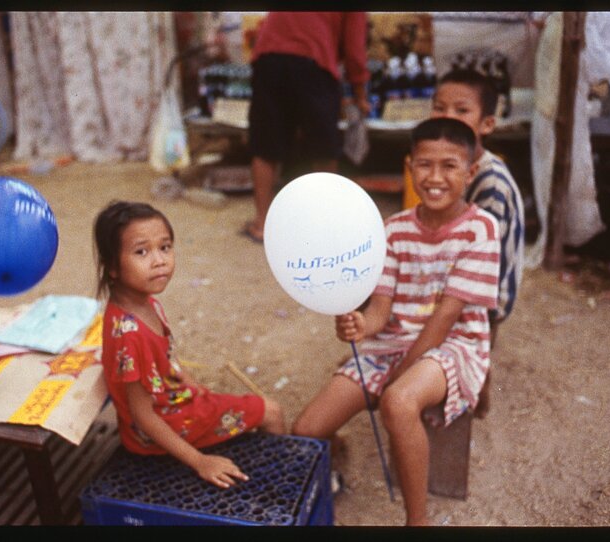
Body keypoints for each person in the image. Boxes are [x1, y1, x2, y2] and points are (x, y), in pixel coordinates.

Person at [292, 118, 500, 526]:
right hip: (391, 344)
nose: (435, 177)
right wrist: (359, 326)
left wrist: (396, 379)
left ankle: (416, 521)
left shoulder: (481, 229)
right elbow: (380, 311)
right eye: (424, 165)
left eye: (449, 166)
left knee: (399, 401)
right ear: (409, 166)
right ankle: (337, 452)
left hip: (452, 345)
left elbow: (445, 318)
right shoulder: (393, 230)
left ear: (471, 172)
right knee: (306, 429)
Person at [93, 201, 285, 489]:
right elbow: (143, 416)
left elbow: (161, 362)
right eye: (141, 251)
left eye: (165, 247)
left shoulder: (145, 303)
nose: (159, 260)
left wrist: (185, 378)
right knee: (271, 412)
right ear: (112, 268)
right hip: (164, 425)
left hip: (172, 402)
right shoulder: (130, 335)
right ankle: (277, 488)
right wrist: (200, 462)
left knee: (239, 407)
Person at [429, 68, 526, 415]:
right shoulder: (445, 165)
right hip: (459, 271)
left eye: (461, 110)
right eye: (439, 108)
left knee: (475, 348)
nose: (447, 118)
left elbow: (485, 258)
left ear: (486, 124)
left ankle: (475, 397)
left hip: (487, 286)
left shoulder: (491, 181)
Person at [242, 11, 370, 243]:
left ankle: (262, 223)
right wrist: (360, 94)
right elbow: (355, 50)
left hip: (269, 58)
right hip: (314, 62)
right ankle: (322, 226)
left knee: (266, 146)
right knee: (323, 150)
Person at [525, 12, 610, 270]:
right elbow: (537, 19)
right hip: (549, 80)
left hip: (573, 88)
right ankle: (554, 237)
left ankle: (571, 239)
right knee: (547, 160)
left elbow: (604, 66)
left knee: (575, 165)